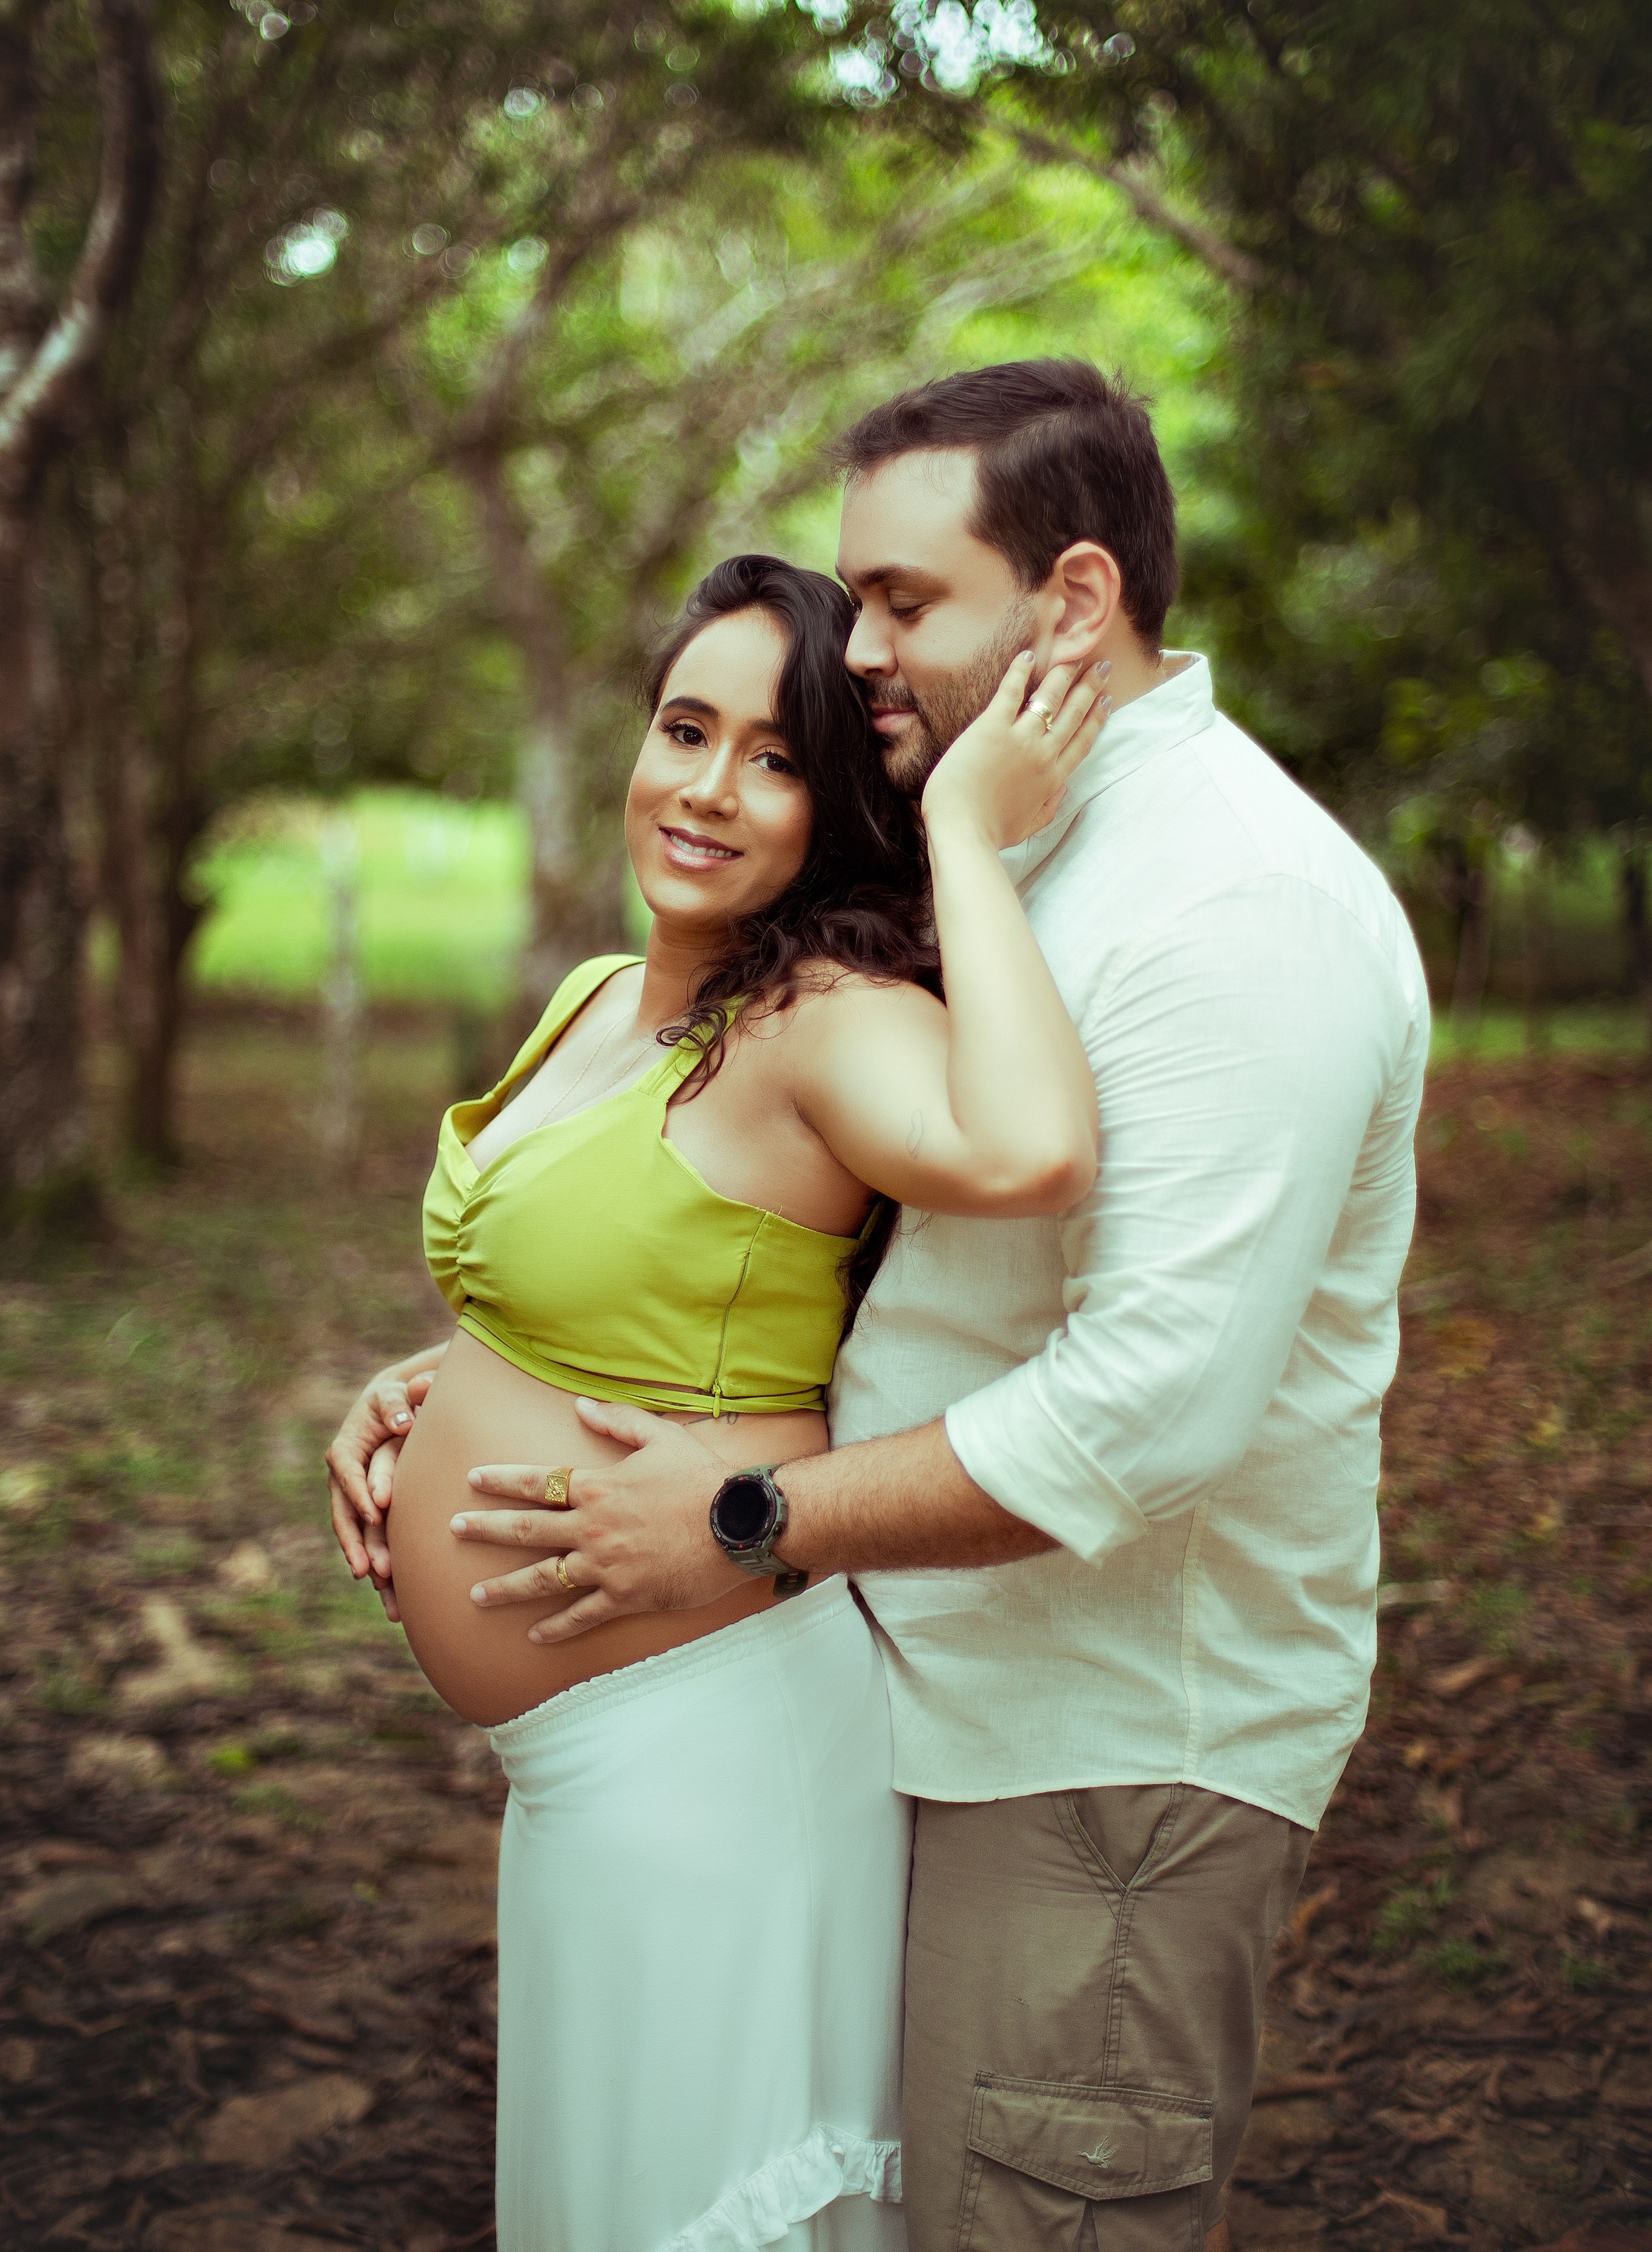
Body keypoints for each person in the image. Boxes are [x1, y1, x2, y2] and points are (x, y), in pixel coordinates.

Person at [419, 362, 1431, 2252]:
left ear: (1071, 602)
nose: (858, 650)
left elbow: (1146, 1412)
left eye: (903, 603)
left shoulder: (1238, 908)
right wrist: (465, 1382)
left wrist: (743, 1520)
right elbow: (783, 1234)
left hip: (1103, 1756)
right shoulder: (1020, 838)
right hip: (917, 1706)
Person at [326, 550, 1109, 2252]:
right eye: (687, 728)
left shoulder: (820, 1022)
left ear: (836, 810)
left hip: (717, 1743)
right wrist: (422, 1390)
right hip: (582, 1771)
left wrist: (968, 831)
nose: (707, 788)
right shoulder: (602, 999)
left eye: (776, 758)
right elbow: (576, 1278)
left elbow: (1036, 1153)